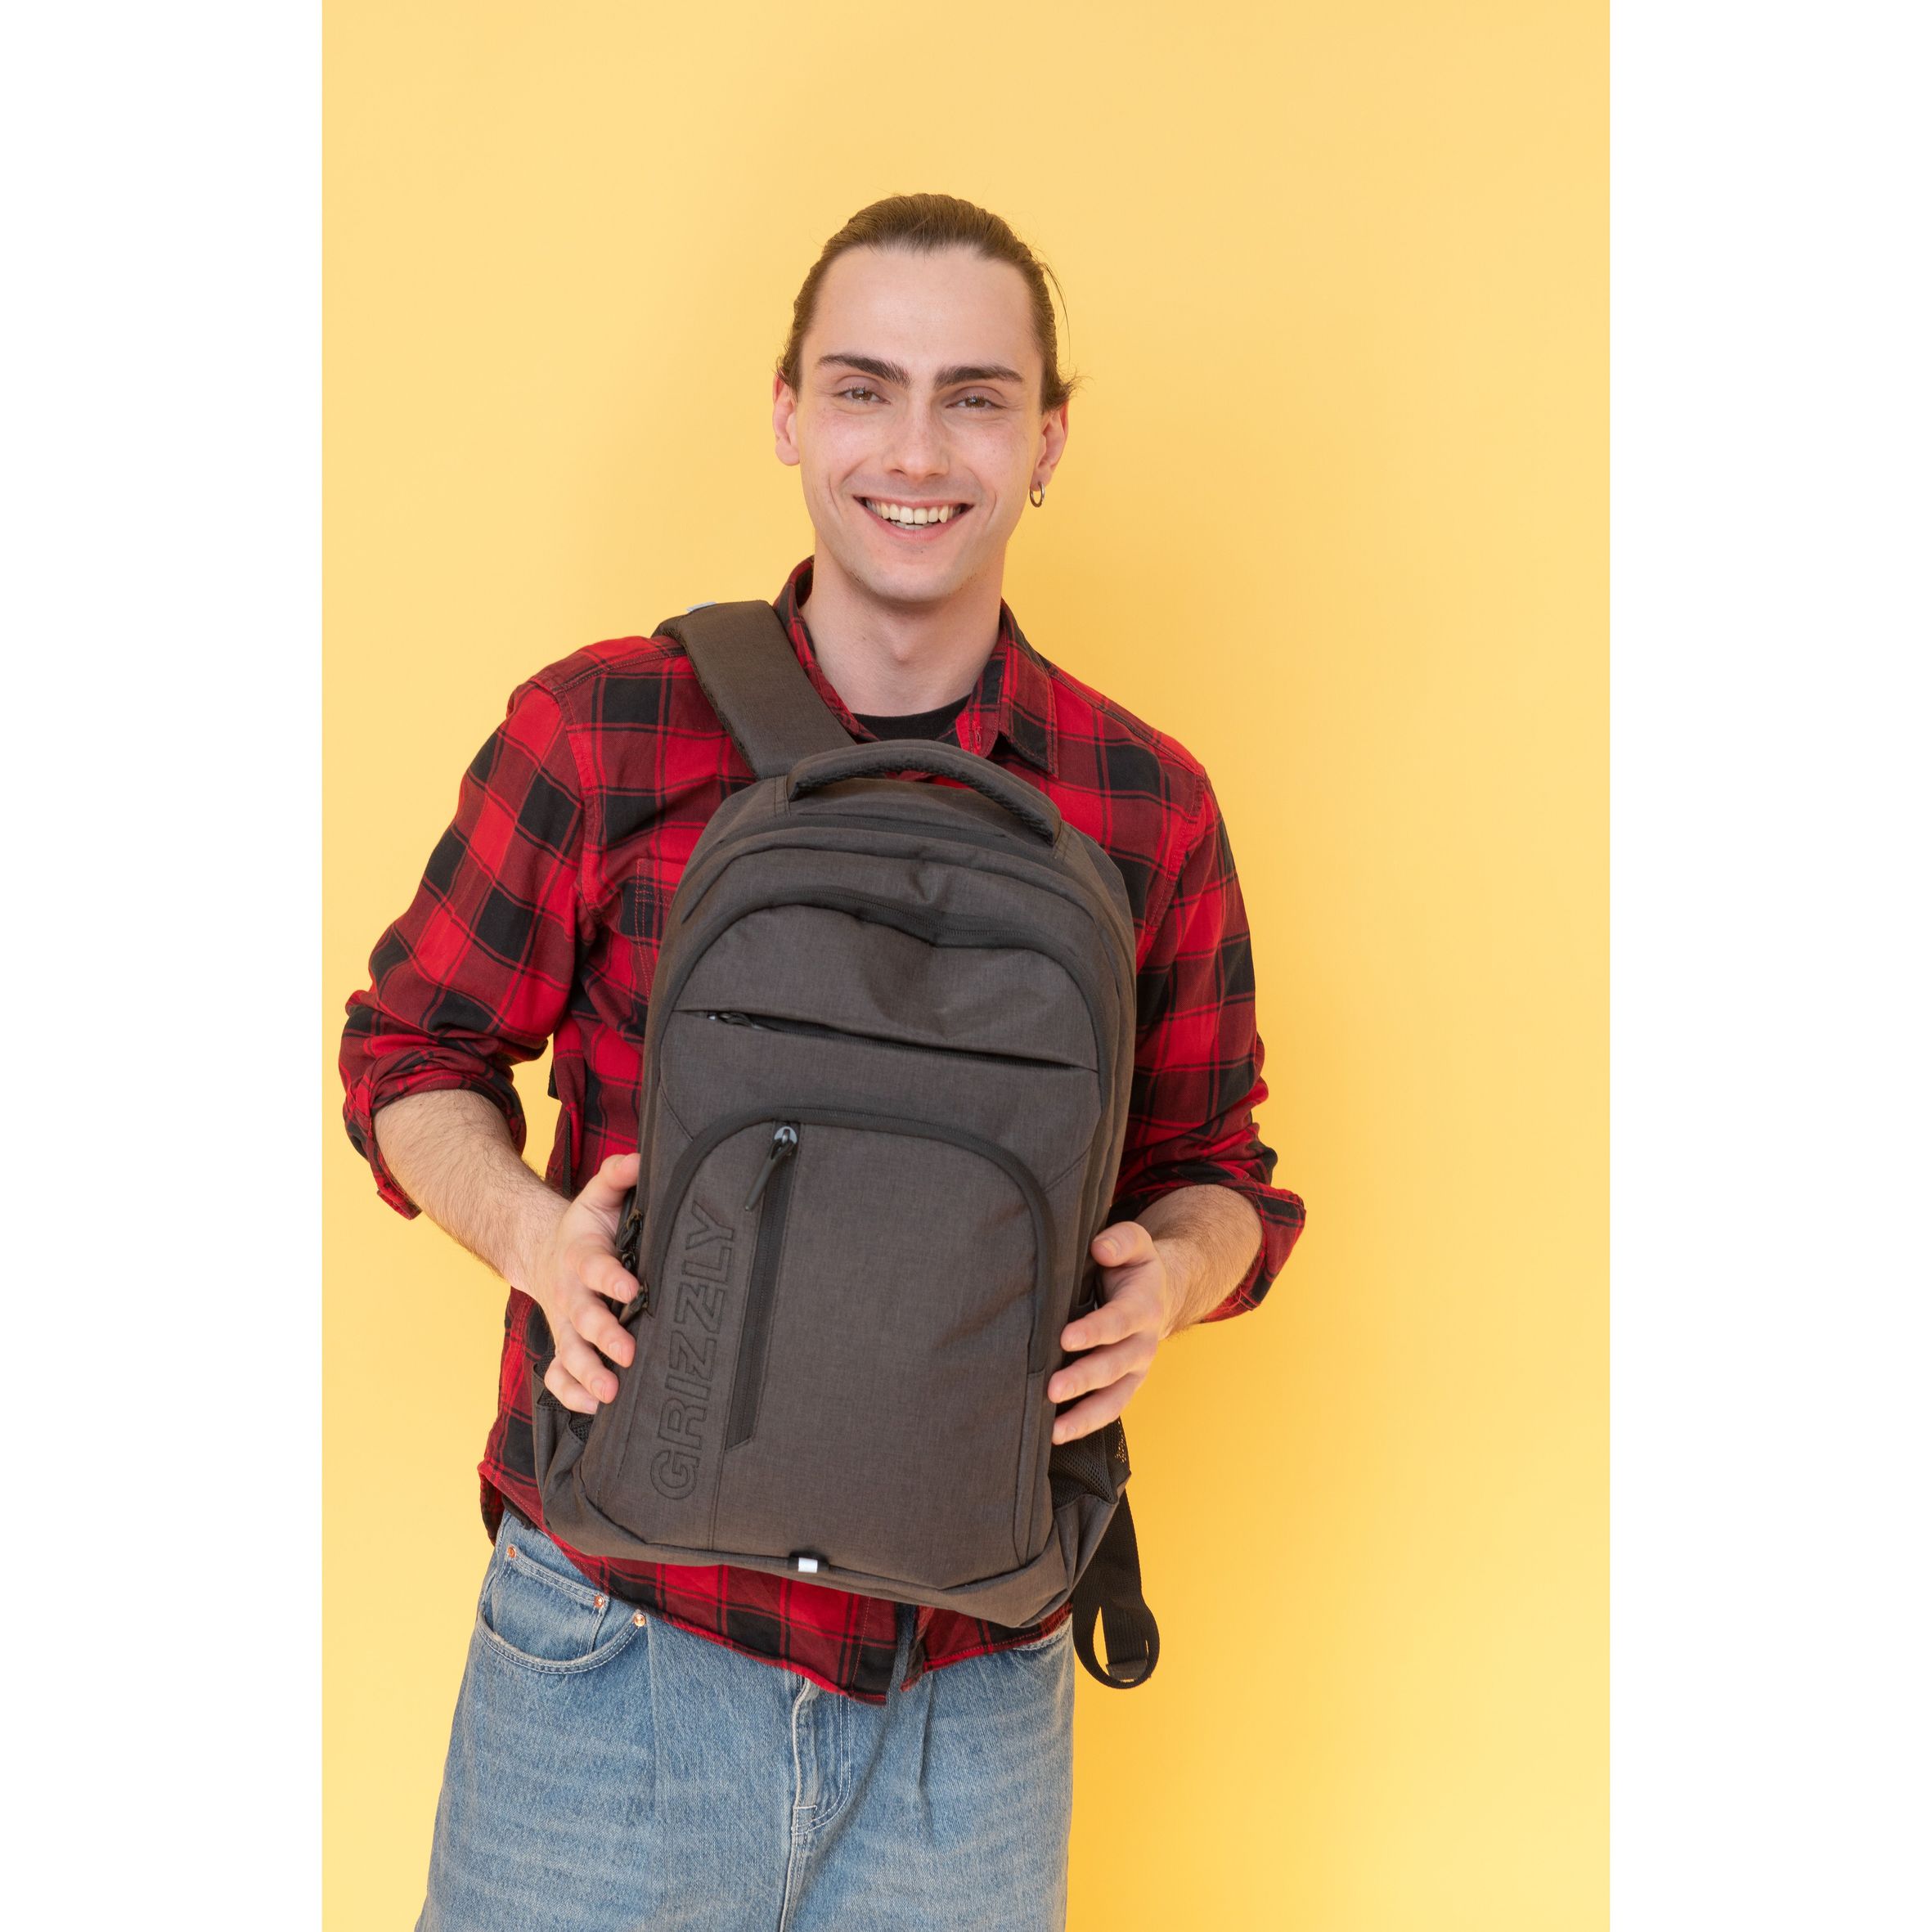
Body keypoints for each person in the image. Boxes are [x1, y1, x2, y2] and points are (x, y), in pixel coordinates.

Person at [339, 191, 1306, 1932]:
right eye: (863, 389)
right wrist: (530, 1235)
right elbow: (412, 1049)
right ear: (788, 413)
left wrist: (1171, 1275)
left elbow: (1218, 1172)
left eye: (972, 398)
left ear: (1046, 440)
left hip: (969, 1691)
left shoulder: (1143, 803)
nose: (913, 451)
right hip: (611, 1651)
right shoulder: (602, 728)